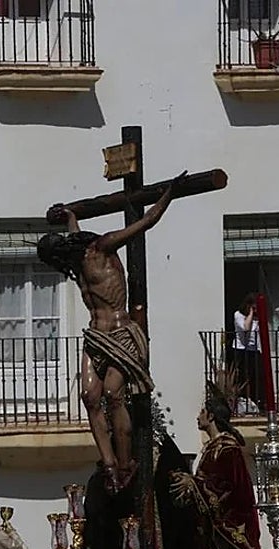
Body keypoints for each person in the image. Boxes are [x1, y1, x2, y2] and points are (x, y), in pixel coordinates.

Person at [38, 174, 184, 492]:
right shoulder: (77, 261)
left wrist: (169, 194)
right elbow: (73, 233)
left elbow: (144, 223)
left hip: (121, 333)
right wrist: (72, 216)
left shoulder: (102, 247)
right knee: (89, 396)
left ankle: (125, 461)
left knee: (112, 395)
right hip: (96, 336)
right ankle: (108, 464)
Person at [170, 386, 267, 549]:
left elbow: (227, 489)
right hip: (215, 535)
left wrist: (195, 484)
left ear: (211, 416)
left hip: (233, 536)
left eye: (202, 411)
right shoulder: (212, 450)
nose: (198, 416)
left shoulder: (228, 451)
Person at [231, 294, 263, 410]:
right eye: (253, 308)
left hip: (253, 350)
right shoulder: (238, 315)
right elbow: (245, 328)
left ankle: (255, 402)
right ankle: (240, 402)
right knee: (241, 377)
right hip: (240, 349)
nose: (255, 311)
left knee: (255, 376)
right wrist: (250, 314)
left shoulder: (257, 318)